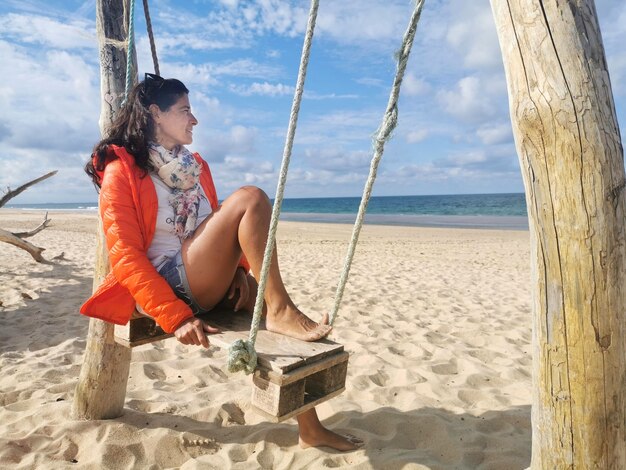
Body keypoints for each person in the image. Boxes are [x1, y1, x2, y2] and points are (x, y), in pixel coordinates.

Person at [80, 73, 362, 451]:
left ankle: (310, 429)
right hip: (168, 289)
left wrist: (240, 272)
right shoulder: (122, 171)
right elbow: (126, 256)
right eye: (185, 110)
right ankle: (280, 310)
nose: (194, 119)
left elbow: (219, 232)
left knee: (265, 312)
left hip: (201, 276)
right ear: (156, 114)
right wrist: (175, 317)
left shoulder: (194, 168)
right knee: (250, 198)